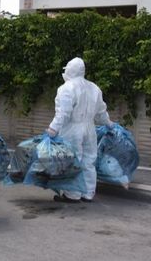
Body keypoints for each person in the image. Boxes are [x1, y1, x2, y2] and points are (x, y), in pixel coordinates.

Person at [46, 57, 114, 203]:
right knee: (89, 161)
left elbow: (63, 113)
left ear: (70, 70)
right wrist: (108, 123)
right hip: (90, 129)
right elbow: (101, 111)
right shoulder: (94, 88)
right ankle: (88, 193)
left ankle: (72, 194)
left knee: (72, 160)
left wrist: (53, 128)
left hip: (72, 129)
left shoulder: (66, 88)